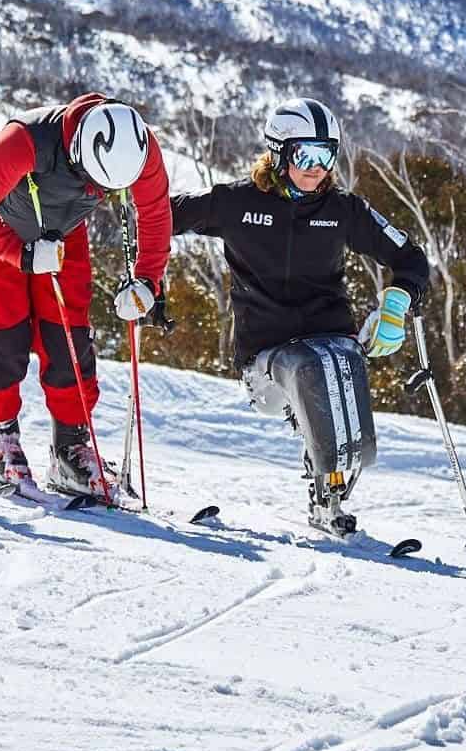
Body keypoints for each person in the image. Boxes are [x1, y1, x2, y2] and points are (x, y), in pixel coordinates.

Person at [170, 98, 429, 535]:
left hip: (330, 337)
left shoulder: (343, 210)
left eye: (327, 155)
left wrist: (399, 300)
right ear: (278, 152)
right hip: (265, 354)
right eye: (305, 155)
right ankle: (325, 478)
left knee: (339, 359)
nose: (317, 168)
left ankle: (331, 492)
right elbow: (163, 215)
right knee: (311, 366)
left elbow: (409, 256)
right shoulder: (235, 203)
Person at [0, 94, 170, 495]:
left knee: (69, 336)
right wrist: (20, 254)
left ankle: (71, 446)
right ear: (77, 152)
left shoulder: (140, 147)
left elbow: (155, 215)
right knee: (3, 334)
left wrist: (147, 282)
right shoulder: (26, 140)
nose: (100, 191)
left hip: (62, 229)